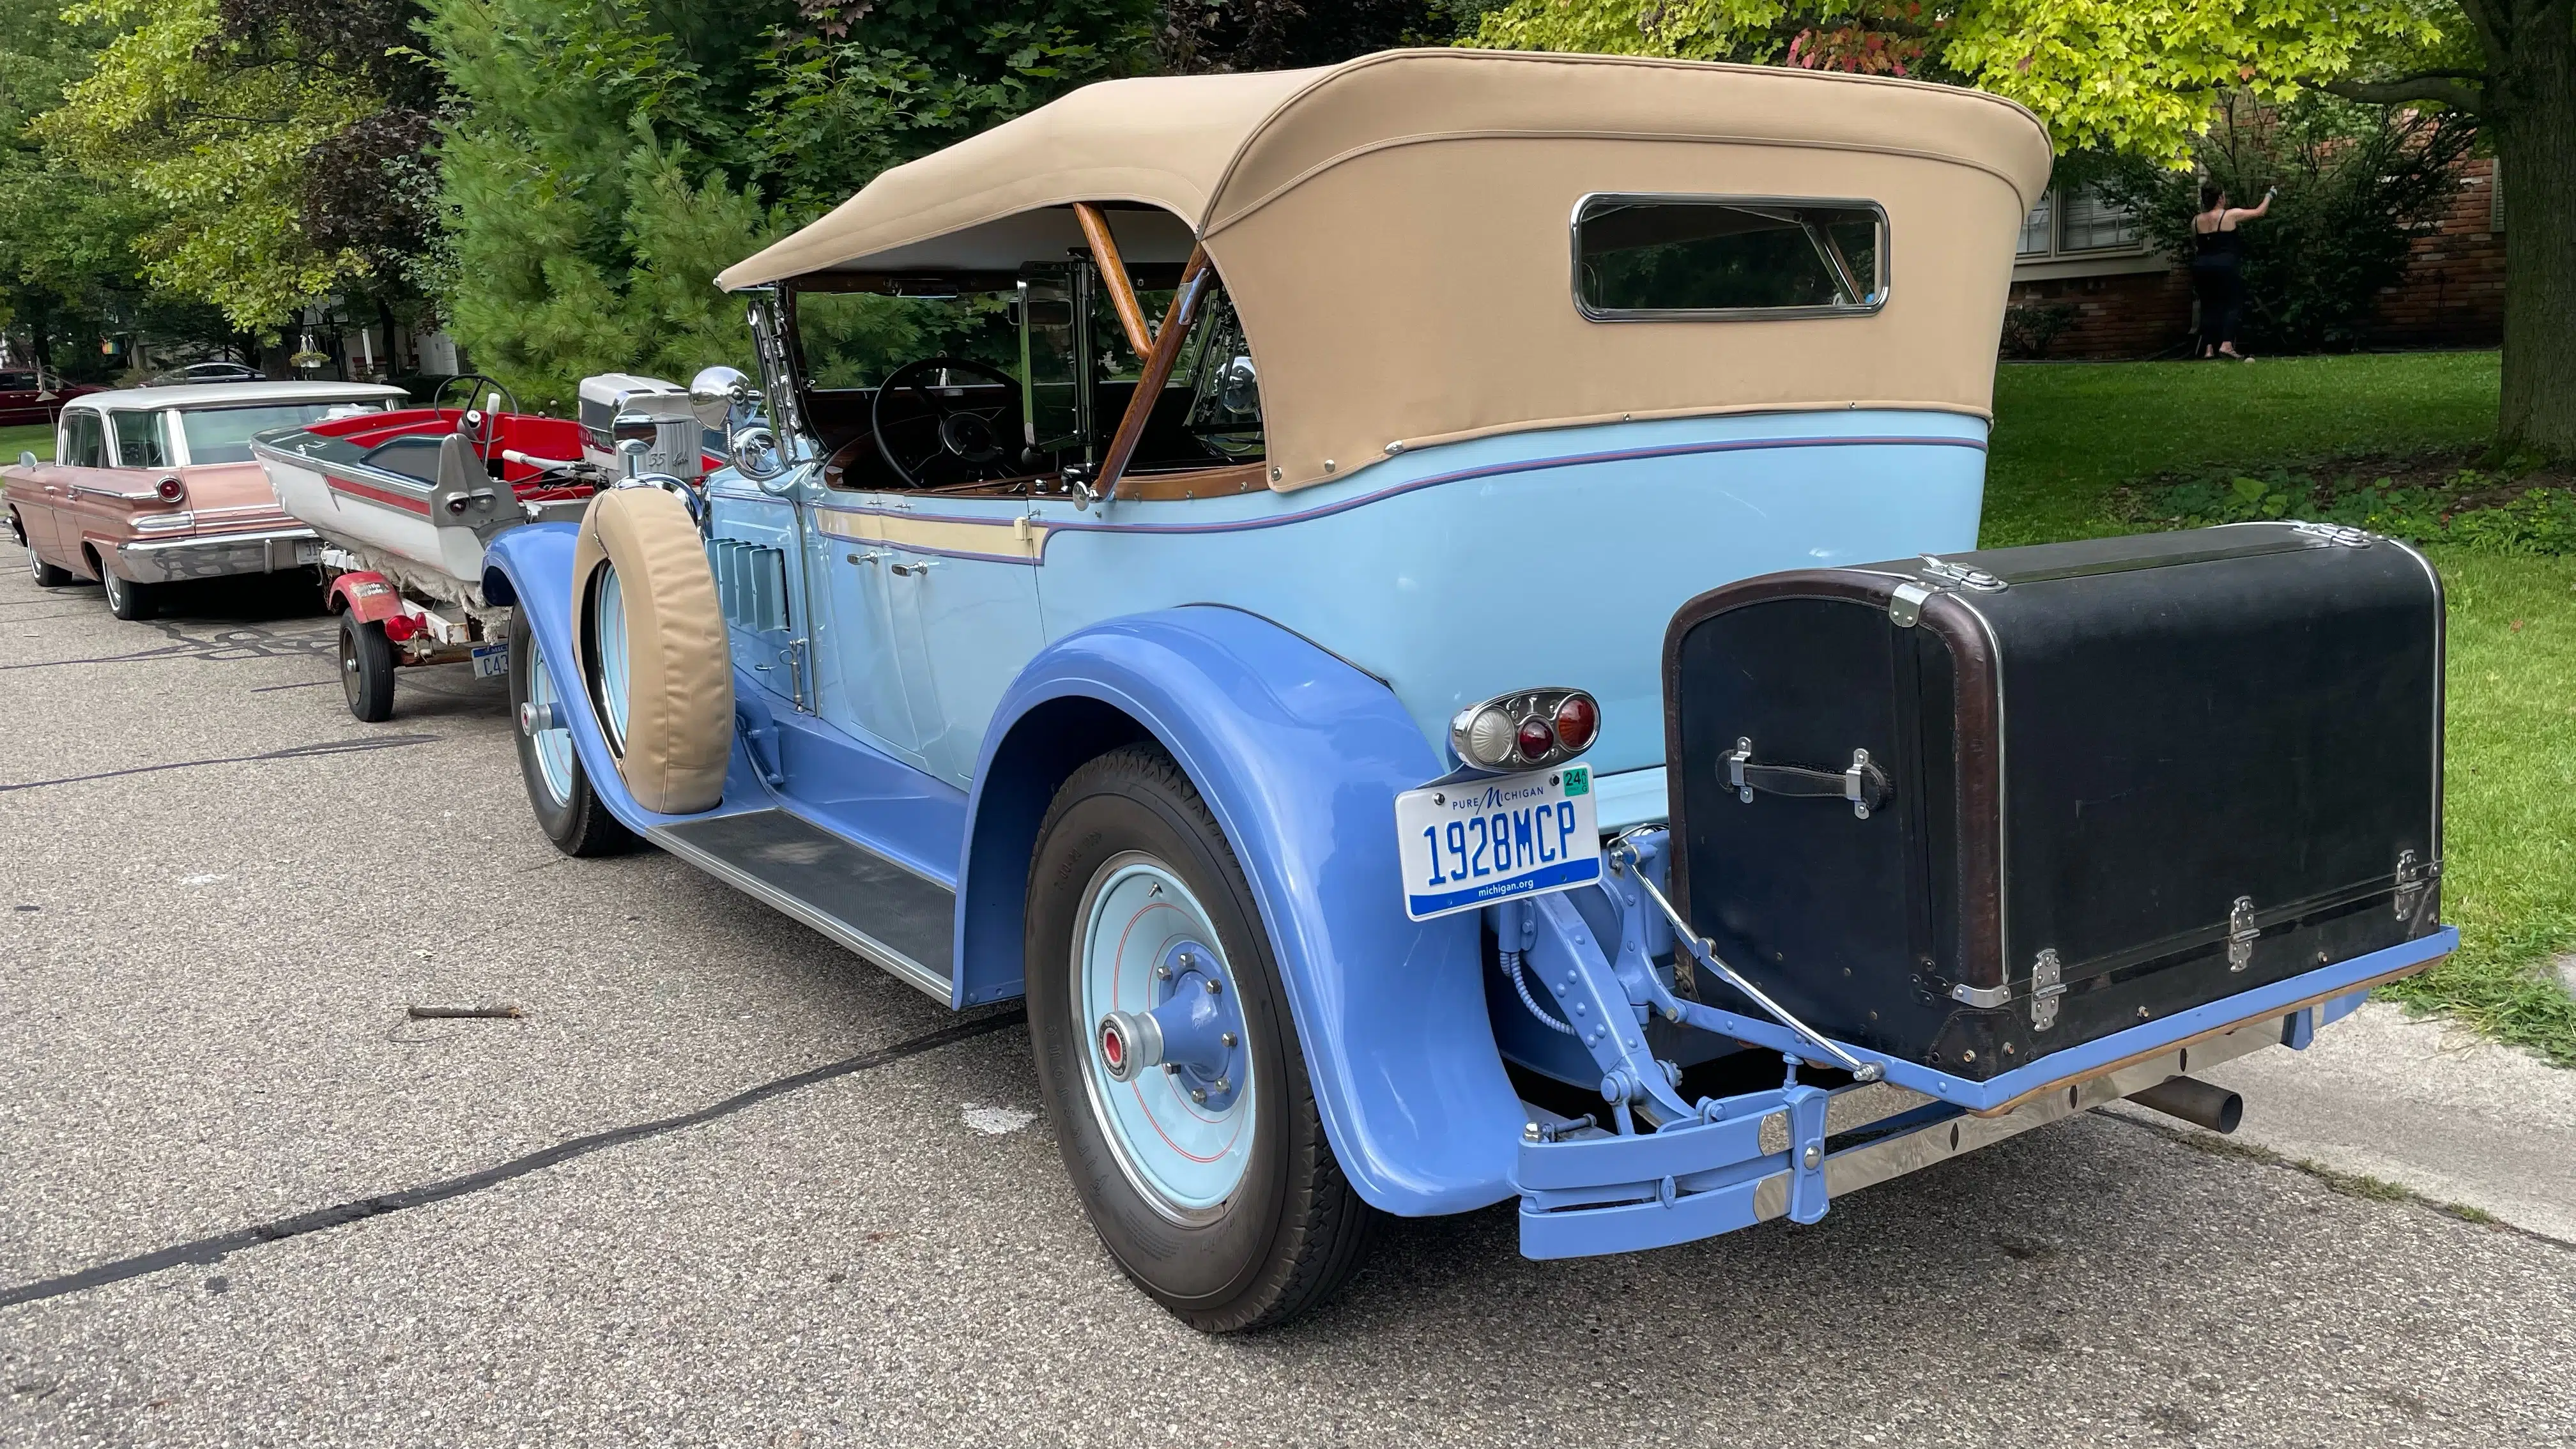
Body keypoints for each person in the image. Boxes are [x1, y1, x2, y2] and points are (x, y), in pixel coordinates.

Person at [2192, 183, 2273, 360]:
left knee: (2208, 306)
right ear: (2221, 198)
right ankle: (2227, 345)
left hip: (2202, 266)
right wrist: (2270, 195)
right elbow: (2260, 211)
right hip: (2225, 265)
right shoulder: (2230, 215)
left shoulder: (2196, 220)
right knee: (2233, 303)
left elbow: (2198, 244)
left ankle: (2208, 349)